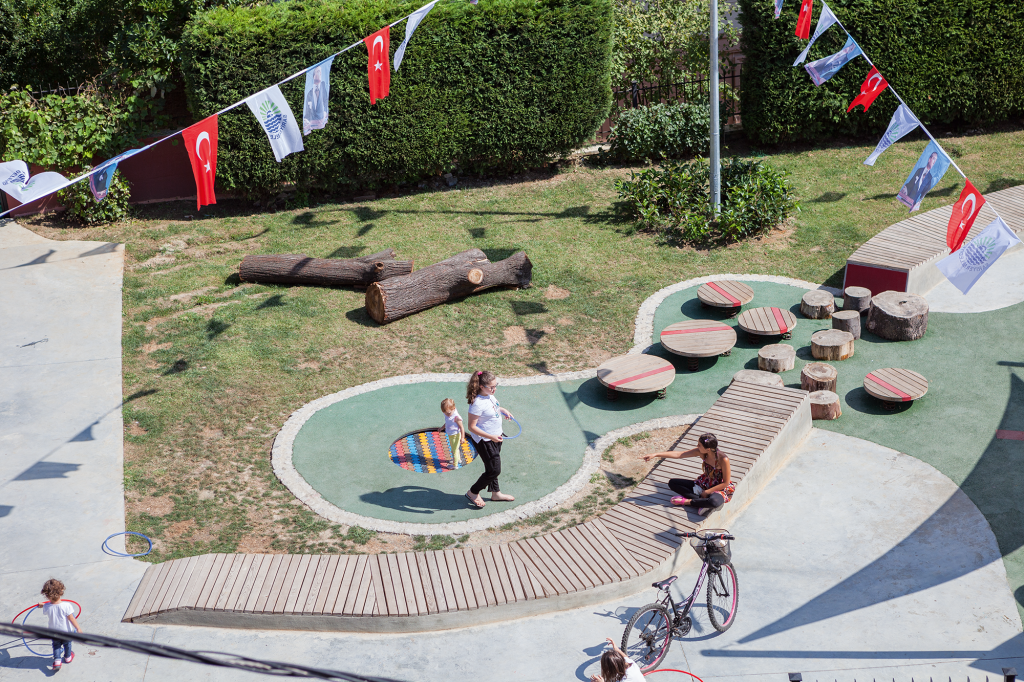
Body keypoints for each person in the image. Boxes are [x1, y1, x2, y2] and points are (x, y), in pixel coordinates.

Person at [642, 432, 734, 517]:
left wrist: (706, 492)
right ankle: (702, 502)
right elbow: (679, 454)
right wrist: (655, 454)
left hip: (718, 488)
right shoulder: (701, 452)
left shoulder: (723, 459)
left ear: (708, 449)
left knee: (714, 502)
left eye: (699, 445)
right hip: (704, 484)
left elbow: (725, 483)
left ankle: (688, 501)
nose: (697, 446)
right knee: (673, 483)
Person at [465, 370, 515, 508]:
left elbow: (494, 408)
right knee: (494, 470)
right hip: (485, 441)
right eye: (491, 387)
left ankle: (495, 493)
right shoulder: (477, 404)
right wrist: (491, 436)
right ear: (482, 387)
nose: (494, 389)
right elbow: (471, 427)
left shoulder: (489, 396)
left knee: (491, 466)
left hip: (496, 436)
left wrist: (503, 410)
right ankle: (473, 492)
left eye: (495, 385)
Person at [39, 579, 80, 671]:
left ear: (46, 595)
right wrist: (78, 628)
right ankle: (67, 658)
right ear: (61, 591)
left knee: (56, 645)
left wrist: (42, 605)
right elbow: (71, 618)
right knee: (67, 644)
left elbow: (48, 606)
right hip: (66, 632)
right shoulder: (67, 606)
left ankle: (57, 661)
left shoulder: (46, 606)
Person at [440, 398, 466, 467]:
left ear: (453, 409)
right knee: (455, 449)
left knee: (454, 451)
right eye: (445, 413)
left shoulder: (456, 417)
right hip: (450, 435)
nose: (447, 415)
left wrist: (462, 438)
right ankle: (458, 459)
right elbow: (448, 422)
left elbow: (462, 428)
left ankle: (455, 465)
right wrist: (442, 428)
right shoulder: (447, 413)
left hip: (456, 435)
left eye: (448, 413)